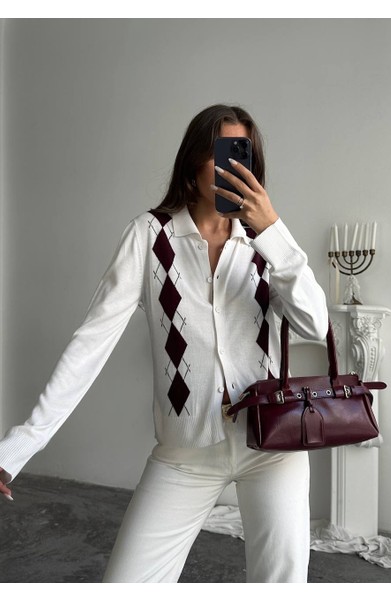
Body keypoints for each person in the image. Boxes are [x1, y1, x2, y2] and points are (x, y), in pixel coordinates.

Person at [0, 104, 328, 583]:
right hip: (185, 454)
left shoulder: (267, 243)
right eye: (222, 154)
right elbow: (89, 345)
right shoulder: (149, 237)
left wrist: (273, 232)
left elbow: (315, 325)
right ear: (193, 161)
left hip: (272, 446)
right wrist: (17, 449)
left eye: (243, 156)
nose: (233, 169)